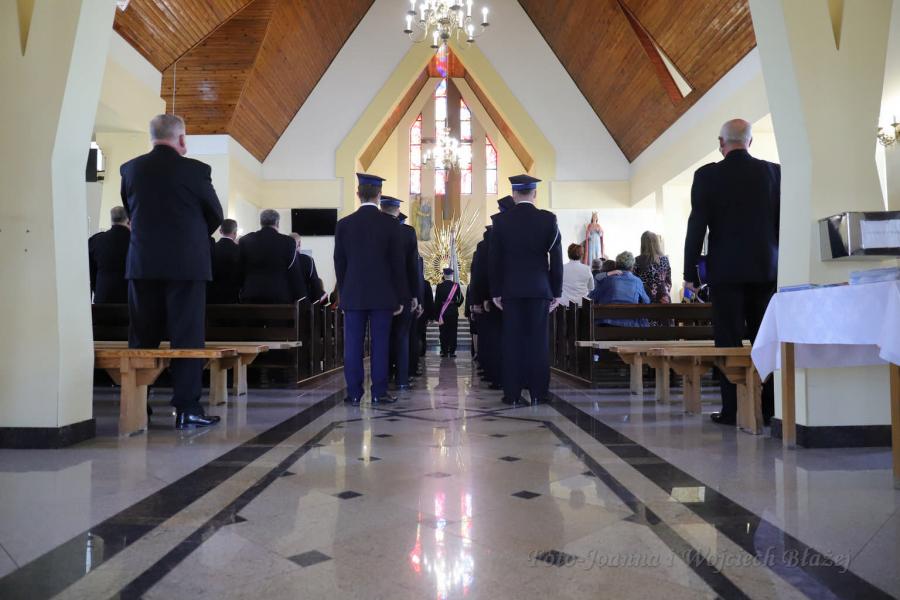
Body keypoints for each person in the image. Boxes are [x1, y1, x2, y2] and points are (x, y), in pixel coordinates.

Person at [121, 113, 223, 429]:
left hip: (143, 263)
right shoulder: (196, 170)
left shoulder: (130, 169)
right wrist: (192, 236)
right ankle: (187, 407)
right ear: (181, 139)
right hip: (187, 265)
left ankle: (139, 403)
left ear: (151, 137)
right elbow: (215, 214)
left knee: (142, 335)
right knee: (187, 336)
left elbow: (130, 210)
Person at [683, 118, 780, 426]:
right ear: (750, 142)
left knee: (728, 340)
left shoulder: (708, 175)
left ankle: (732, 409)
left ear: (721, 143)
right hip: (767, 269)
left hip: (725, 272)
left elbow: (697, 225)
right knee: (765, 338)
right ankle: (770, 408)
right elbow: (782, 223)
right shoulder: (774, 172)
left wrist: (690, 273)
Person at [334, 174, 407, 404]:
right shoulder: (390, 224)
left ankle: (354, 393)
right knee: (380, 344)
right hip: (383, 296)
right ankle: (379, 392)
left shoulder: (344, 224)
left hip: (353, 294)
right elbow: (398, 264)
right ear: (379, 196)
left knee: (353, 346)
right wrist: (401, 297)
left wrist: (343, 292)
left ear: (358, 195)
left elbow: (339, 262)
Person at [489, 176, 563, 405]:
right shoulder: (548, 219)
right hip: (539, 289)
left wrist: (496, 291)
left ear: (514, 195)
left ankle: (512, 394)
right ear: (534, 194)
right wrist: (556, 291)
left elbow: (494, 260)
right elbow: (556, 258)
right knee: (538, 342)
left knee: (512, 342)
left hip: (511, 290)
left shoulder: (501, 221)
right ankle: (538, 393)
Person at [380, 196, 420, 390]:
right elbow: (413, 267)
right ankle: (402, 379)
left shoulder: (373, 228)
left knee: (383, 336)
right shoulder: (407, 232)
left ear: (381, 208)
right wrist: (415, 295)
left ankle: (385, 375)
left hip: (380, 293)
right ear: (397, 211)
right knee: (402, 336)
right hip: (403, 292)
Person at [239, 210, 299, 304]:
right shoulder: (288, 242)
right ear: (277, 223)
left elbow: (240, 269)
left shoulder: (245, 240)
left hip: (251, 295)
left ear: (261, 222)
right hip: (279, 296)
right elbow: (294, 272)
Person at [590, 251, 650, 326]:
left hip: (607, 325)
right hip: (630, 326)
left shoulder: (607, 280)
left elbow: (591, 297)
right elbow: (646, 301)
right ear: (632, 267)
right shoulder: (637, 281)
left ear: (616, 265)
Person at [88, 206, 130, 303]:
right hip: (129, 302)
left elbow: (90, 275)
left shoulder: (95, 241)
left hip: (102, 300)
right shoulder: (136, 243)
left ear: (111, 220)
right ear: (128, 220)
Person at [208, 219, 241, 304]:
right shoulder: (239, 250)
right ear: (235, 232)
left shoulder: (212, 248)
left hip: (212, 296)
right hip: (232, 296)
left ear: (220, 231)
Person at [634, 231, 672, 303]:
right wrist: (665, 294)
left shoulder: (637, 260)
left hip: (645, 300)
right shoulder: (665, 259)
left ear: (643, 244)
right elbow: (668, 282)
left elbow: (635, 283)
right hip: (663, 299)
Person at [289, 233, 326, 303]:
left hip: (286, 303)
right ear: (299, 243)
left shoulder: (282, 259)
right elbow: (315, 285)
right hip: (303, 303)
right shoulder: (308, 260)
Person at [434, 268, 464, 357]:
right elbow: (461, 298)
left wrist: (437, 315)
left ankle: (444, 351)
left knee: (443, 332)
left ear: (444, 275)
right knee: (453, 332)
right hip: (453, 312)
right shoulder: (456, 286)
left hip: (442, 313)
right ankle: (452, 352)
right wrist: (456, 305)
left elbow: (437, 302)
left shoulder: (439, 286)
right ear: (451, 275)